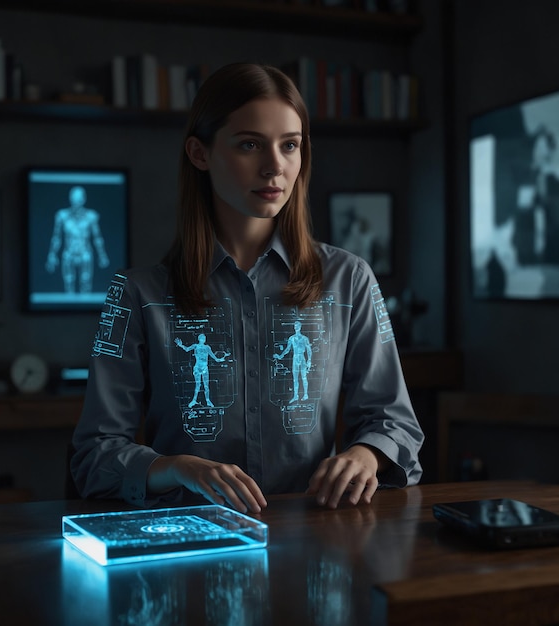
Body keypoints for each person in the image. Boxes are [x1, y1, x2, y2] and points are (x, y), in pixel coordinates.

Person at [70, 63, 423, 513]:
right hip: (188, 545)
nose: (275, 166)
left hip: (316, 538)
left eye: (290, 145)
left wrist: (365, 454)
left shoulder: (348, 279)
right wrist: (180, 467)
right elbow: (93, 457)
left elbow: (396, 424)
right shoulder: (136, 294)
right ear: (200, 154)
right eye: (250, 144)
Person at [45, 185, 110, 293]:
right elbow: (56, 237)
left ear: (83, 199)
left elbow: (97, 237)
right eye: (74, 199)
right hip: (68, 254)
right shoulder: (62, 215)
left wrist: (102, 255)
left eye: (79, 199)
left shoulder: (91, 216)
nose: (76, 203)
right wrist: (52, 255)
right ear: (70, 199)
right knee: (68, 284)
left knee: (86, 283)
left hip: (85, 254)